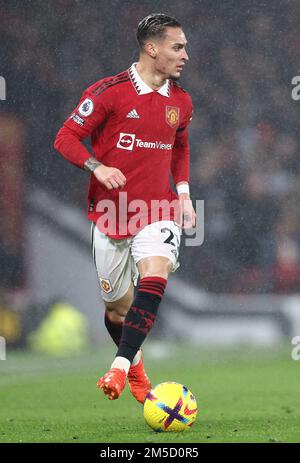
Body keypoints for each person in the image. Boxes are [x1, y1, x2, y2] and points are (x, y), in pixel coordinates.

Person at [54, 13, 195, 403]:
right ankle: (136, 364)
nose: (185, 55)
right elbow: (65, 137)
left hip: (158, 209)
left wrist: (182, 193)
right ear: (152, 48)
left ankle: (118, 367)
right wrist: (97, 166)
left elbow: (180, 146)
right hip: (112, 213)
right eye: (177, 47)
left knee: (156, 273)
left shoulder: (181, 102)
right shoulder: (108, 93)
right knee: (118, 309)